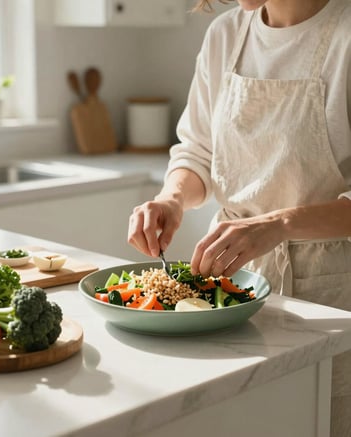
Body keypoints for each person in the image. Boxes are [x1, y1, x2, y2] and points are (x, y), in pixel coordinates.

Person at [127, 0, 351, 435]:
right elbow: (198, 152)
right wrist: (172, 198)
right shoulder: (226, 35)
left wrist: (278, 224)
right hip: (233, 286)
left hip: (333, 293)